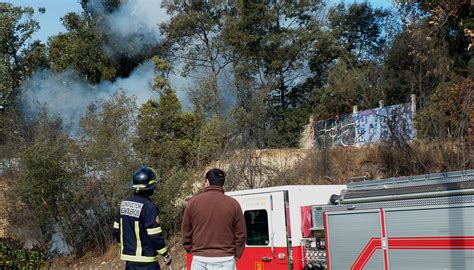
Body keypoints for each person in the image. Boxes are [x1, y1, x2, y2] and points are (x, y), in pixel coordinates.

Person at [181, 168, 247, 270]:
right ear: (222, 183)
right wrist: (237, 253)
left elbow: (186, 231)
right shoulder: (233, 204)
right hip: (226, 259)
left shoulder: (193, 203)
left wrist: (191, 249)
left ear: (207, 182)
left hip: (200, 259)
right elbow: (241, 233)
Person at [113, 166, 172, 270]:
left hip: (129, 261)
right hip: (147, 262)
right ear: (150, 187)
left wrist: (126, 246)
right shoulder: (149, 207)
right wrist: (165, 253)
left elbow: (117, 230)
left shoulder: (124, 204)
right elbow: (155, 236)